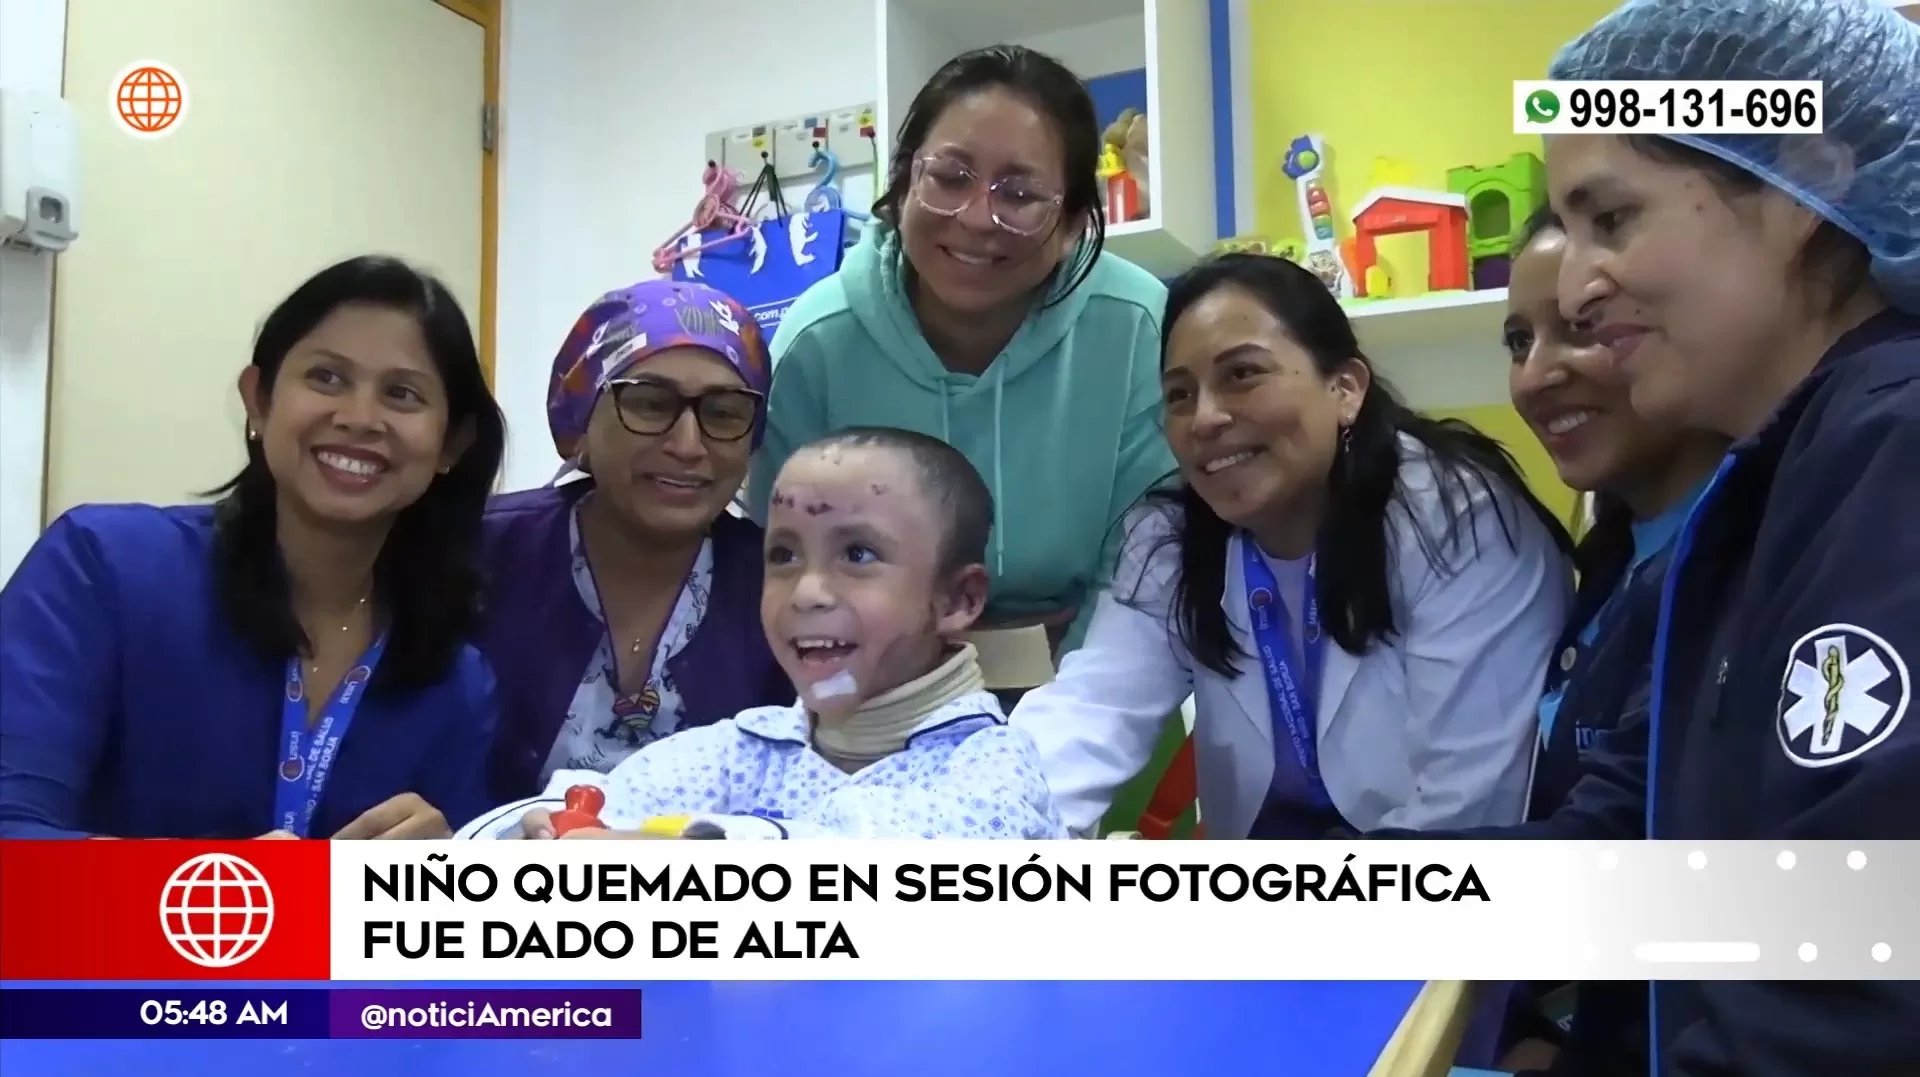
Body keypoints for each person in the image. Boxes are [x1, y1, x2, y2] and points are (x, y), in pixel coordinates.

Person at [1448, 1, 1920, 1073]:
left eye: (1612, 219)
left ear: (1812, 177)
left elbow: (1864, 989)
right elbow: (1625, 835)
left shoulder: (1891, 454)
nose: (1576, 285)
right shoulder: (1758, 495)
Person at [1011, 252, 1575, 841]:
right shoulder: (1170, 540)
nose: (1204, 418)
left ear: (1346, 389)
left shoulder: (1456, 520)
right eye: (1179, 395)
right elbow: (1091, 711)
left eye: (1242, 374)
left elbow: (1467, 810)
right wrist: (982, 835)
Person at [0, 255, 505, 839]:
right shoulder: (103, 568)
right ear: (259, 401)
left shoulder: (457, 682)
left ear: (451, 444)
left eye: (402, 394)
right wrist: (240, 891)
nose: (360, 418)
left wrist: (434, 886)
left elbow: (447, 921)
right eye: (327, 378)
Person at [747, 45, 1173, 668]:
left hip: (1098, 692)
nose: (977, 218)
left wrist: (1058, 725)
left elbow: (1140, 580)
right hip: (868, 700)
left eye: (1021, 193)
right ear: (904, 181)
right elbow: (788, 575)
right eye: (950, 177)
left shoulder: (1137, 327)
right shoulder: (817, 343)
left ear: (1077, 219)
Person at [454, 428, 1064, 841]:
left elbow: (894, 861)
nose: (808, 591)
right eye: (784, 555)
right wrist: (533, 833)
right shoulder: (743, 751)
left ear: (958, 599)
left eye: (857, 553)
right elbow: (594, 800)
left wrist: (695, 853)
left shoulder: (996, 768)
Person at [1493, 208, 1730, 1076]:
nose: (1536, 375)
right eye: (1518, 340)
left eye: (1581, 330)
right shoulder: (1609, 559)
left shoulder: (1742, 562)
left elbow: (1613, 841)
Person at [479, 280, 792, 801]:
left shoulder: (781, 587)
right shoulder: (481, 554)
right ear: (580, 420)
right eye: (649, 404)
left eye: (724, 413)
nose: (689, 445)